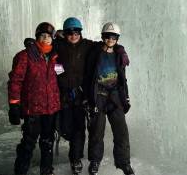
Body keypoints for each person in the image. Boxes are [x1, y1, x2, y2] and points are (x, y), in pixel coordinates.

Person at [24, 17, 129, 175]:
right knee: (66, 128)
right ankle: (57, 160)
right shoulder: (59, 45)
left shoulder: (87, 45)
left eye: (76, 32)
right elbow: (45, 44)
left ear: (80, 33)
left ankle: (76, 158)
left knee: (79, 128)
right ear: (65, 33)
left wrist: (120, 49)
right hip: (64, 93)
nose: (73, 35)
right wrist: (30, 42)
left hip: (81, 94)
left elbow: (106, 43)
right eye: (69, 32)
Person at [8, 22, 60, 175]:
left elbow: (60, 77)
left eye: (49, 36)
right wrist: (14, 105)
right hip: (33, 109)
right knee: (28, 143)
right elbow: (15, 81)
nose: (45, 39)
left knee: (47, 142)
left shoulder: (55, 57)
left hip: (51, 108)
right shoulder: (24, 56)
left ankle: (46, 171)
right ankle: (21, 171)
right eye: (42, 36)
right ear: (37, 37)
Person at [84, 22, 135, 175]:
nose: (110, 39)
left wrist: (125, 97)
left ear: (117, 39)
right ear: (103, 37)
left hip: (114, 96)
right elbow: (87, 74)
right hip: (98, 95)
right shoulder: (94, 52)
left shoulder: (119, 54)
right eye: (107, 36)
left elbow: (122, 79)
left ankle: (124, 162)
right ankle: (94, 161)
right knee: (96, 131)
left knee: (121, 131)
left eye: (113, 37)